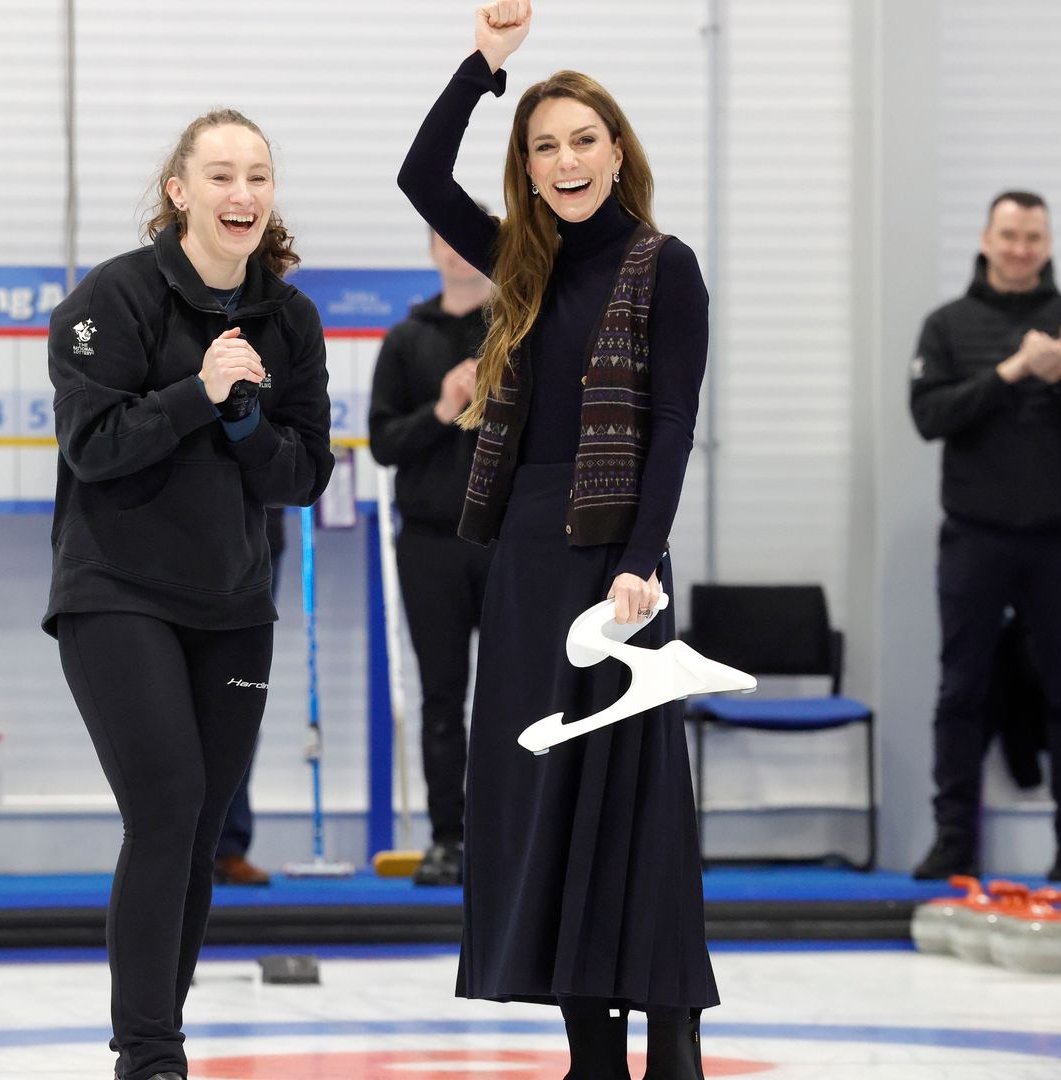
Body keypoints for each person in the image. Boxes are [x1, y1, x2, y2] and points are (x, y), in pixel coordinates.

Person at [398, 4, 714, 1076]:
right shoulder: (520, 266)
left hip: (617, 560)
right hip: (528, 558)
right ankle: (590, 1039)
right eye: (543, 146)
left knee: (637, 800)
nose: (565, 159)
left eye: (583, 139)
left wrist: (640, 561)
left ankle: (671, 1027)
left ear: (616, 151)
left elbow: (672, 425)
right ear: (527, 169)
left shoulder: (667, 266)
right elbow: (420, 173)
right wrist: (488, 65)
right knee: (549, 792)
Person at [44, 110, 333, 1080]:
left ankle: (157, 1032)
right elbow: (94, 446)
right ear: (180, 192)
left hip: (233, 605)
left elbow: (304, 476)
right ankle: (151, 1054)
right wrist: (197, 395)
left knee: (201, 829)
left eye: (257, 176)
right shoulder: (112, 299)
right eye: (220, 176)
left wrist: (247, 423)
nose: (241, 194)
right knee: (165, 808)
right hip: (116, 591)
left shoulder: (288, 320)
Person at [907, 190, 1061, 884]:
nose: (1021, 248)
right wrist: (1010, 373)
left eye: (1033, 237)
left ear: (1048, 243)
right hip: (976, 538)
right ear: (986, 238)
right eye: (1009, 235)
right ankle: (953, 841)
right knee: (962, 690)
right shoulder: (947, 324)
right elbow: (930, 416)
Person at [368, 224, 494, 887]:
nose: (457, 251)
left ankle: (512, 836)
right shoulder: (405, 340)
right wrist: (443, 408)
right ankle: (450, 838)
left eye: (467, 240)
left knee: (515, 695)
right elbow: (383, 442)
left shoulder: (520, 331)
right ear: (432, 253)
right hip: (430, 545)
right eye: (445, 240)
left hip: (506, 543)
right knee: (443, 699)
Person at [211, 506, 288, 889]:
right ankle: (171, 841)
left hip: (255, 543)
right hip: (171, 543)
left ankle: (227, 847)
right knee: (174, 703)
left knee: (239, 701)